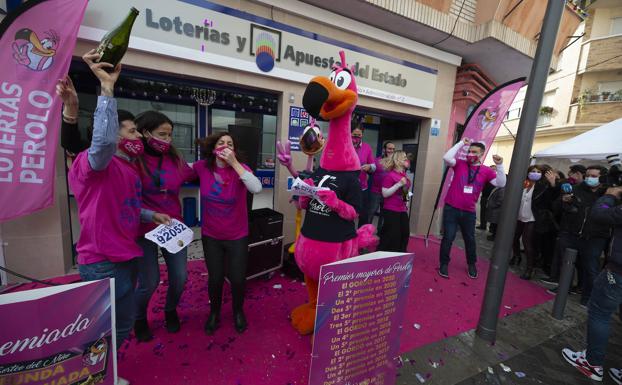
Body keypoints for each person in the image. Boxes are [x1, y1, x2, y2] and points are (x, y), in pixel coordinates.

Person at [67, 50, 171, 355]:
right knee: (101, 332)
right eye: (133, 129)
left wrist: (151, 215)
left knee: (122, 324)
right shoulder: (95, 162)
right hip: (101, 262)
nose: (138, 135)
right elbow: (102, 143)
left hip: (126, 256)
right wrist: (107, 88)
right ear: (114, 133)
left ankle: (106, 372)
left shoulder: (128, 167)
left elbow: (125, 207)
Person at [133, 111, 197, 341]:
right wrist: (149, 215)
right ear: (145, 133)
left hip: (172, 227)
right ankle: (139, 317)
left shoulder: (175, 159)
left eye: (170, 134)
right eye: (162, 134)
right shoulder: (132, 161)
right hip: (143, 230)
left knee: (180, 276)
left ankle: (170, 309)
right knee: (148, 283)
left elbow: (196, 172)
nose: (167, 139)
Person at [195, 132, 262, 335]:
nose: (225, 146)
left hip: (237, 235)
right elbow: (178, 175)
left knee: (238, 278)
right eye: (221, 143)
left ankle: (238, 311)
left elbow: (256, 188)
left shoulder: (241, 170)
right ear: (213, 147)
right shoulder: (202, 167)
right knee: (215, 278)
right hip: (211, 235)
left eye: (230, 144)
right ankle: (214, 313)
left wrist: (235, 164)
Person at [561, 186, 622, 384]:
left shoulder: (611, 200)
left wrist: (610, 197)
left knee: (600, 314)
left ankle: (592, 363)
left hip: (618, 272)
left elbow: (599, 215)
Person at [439, 138, 506, 279]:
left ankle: (471, 264)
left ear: (481, 154)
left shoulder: (486, 170)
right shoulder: (460, 164)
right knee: (448, 237)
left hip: (469, 211)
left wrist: (500, 166)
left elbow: (501, 183)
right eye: (469, 151)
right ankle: (444, 263)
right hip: (451, 208)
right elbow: (446, 157)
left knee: (469, 239)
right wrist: (461, 143)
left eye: (474, 152)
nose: (470, 153)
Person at [547, 166, 606, 299]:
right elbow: (556, 208)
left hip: (594, 237)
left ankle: (588, 296)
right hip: (570, 233)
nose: (589, 178)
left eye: (594, 176)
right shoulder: (575, 189)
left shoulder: (607, 194)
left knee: (590, 267)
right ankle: (564, 287)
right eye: (587, 175)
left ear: (602, 178)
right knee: (566, 263)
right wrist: (564, 201)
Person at [511, 165, 557, 279]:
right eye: (533, 171)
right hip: (519, 216)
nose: (535, 173)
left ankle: (530, 268)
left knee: (527, 243)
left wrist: (553, 184)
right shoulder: (523, 184)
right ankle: (516, 256)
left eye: (538, 172)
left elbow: (551, 198)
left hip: (532, 218)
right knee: (514, 238)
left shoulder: (543, 186)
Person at [378, 151, 411, 252]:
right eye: (404, 158)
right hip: (391, 209)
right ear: (398, 160)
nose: (407, 160)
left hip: (402, 209)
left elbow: (405, 190)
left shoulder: (403, 175)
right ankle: (386, 256)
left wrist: (407, 201)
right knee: (392, 235)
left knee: (405, 233)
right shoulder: (390, 176)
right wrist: (398, 185)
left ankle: (400, 255)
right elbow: (385, 193)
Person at [351, 126, 375, 226]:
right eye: (354, 135)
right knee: (347, 214)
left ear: (362, 135)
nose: (357, 137)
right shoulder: (345, 145)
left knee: (364, 215)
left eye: (359, 135)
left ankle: (361, 238)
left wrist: (369, 167)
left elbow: (373, 166)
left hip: (362, 188)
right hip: (347, 188)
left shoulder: (367, 147)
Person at [369, 141, 395, 230]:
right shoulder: (376, 160)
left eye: (393, 149)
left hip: (388, 193)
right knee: (371, 212)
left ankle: (380, 233)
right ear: (384, 149)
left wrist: (405, 197)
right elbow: (370, 171)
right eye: (389, 148)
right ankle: (366, 232)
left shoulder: (395, 163)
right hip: (376, 192)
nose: (391, 151)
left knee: (384, 215)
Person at [477, 165, 496, 230]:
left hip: (492, 199)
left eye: (493, 170)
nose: (492, 171)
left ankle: (491, 228)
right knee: (483, 211)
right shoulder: (485, 177)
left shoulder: (496, 179)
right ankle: (483, 225)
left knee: (491, 213)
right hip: (484, 197)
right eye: (491, 170)